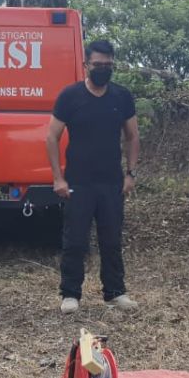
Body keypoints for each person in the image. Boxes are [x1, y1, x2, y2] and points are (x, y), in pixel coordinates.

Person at [47, 40, 141, 313]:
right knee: (75, 240)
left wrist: (131, 173)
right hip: (78, 181)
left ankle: (115, 292)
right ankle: (70, 294)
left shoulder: (121, 97)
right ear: (86, 65)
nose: (103, 69)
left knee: (111, 239)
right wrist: (57, 178)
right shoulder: (70, 96)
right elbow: (52, 137)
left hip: (111, 181)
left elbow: (133, 136)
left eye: (108, 65)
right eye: (97, 65)